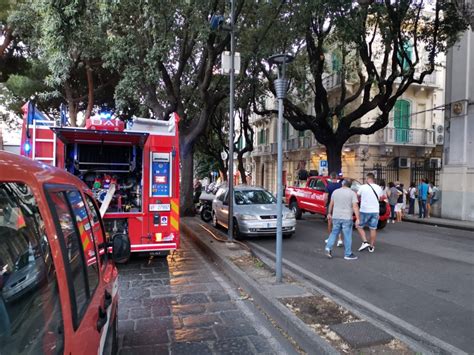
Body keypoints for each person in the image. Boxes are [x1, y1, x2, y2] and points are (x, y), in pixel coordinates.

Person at [325, 179, 360, 260]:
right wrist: (358, 218)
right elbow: (355, 206)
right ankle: (348, 254)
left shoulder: (335, 192)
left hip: (336, 216)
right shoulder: (352, 193)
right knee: (347, 236)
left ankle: (328, 248)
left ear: (342, 184)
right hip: (347, 217)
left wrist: (329, 213)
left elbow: (331, 203)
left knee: (334, 233)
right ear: (349, 185)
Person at [357, 173, 384, 253]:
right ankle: (371, 247)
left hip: (364, 210)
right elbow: (381, 198)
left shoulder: (362, 187)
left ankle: (365, 241)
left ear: (368, 178)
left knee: (359, 226)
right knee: (373, 229)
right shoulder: (379, 187)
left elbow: (357, 196)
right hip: (375, 211)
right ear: (373, 179)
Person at [324, 172, 343, 247]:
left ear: (331, 178)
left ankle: (330, 238)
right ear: (337, 178)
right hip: (339, 205)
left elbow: (326, 197)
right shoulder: (340, 185)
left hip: (331, 205)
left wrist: (326, 204)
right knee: (339, 223)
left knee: (330, 222)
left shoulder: (328, 186)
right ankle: (340, 240)